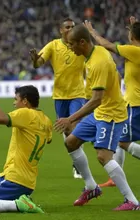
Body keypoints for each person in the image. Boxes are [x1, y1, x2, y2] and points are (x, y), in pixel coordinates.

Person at [54, 24, 140, 211]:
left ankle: (132, 201)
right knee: (71, 142)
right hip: (101, 112)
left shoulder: (97, 63)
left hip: (111, 115)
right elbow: (116, 76)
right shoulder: (95, 53)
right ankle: (91, 187)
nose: (69, 47)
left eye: (71, 44)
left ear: (82, 42)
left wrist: (70, 119)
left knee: (103, 156)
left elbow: (97, 99)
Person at [84, 16, 140, 188]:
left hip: (135, 104)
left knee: (123, 142)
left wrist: (92, 32)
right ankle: (116, 178)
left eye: (129, 33)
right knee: (118, 139)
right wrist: (136, 29)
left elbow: (106, 45)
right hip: (138, 102)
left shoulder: (134, 51)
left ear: (132, 37)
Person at [0, 85, 52, 213]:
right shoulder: (46, 120)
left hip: (13, 178)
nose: (14, 103)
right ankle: (21, 201)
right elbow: (49, 139)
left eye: (15, 99)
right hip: (29, 182)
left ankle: (18, 205)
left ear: (25, 101)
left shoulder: (26, 113)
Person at [30, 18, 86, 179]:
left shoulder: (80, 45)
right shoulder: (53, 45)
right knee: (66, 129)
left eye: (73, 27)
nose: (70, 29)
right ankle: (76, 158)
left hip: (78, 94)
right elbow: (38, 63)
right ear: (61, 30)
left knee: (74, 128)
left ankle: (78, 165)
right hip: (60, 95)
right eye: (67, 27)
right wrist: (35, 60)